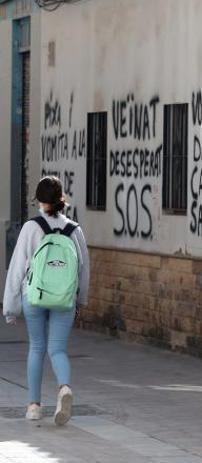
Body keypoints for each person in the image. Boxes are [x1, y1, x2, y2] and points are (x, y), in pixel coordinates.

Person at [3, 176, 90, 426]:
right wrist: (80, 301)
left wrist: (10, 307)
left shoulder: (31, 228)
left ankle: (33, 406)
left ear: (40, 200)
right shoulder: (75, 230)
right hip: (64, 298)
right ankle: (64, 388)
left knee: (37, 347)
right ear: (61, 199)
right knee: (58, 349)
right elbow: (83, 270)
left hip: (35, 296)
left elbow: (17, 267)